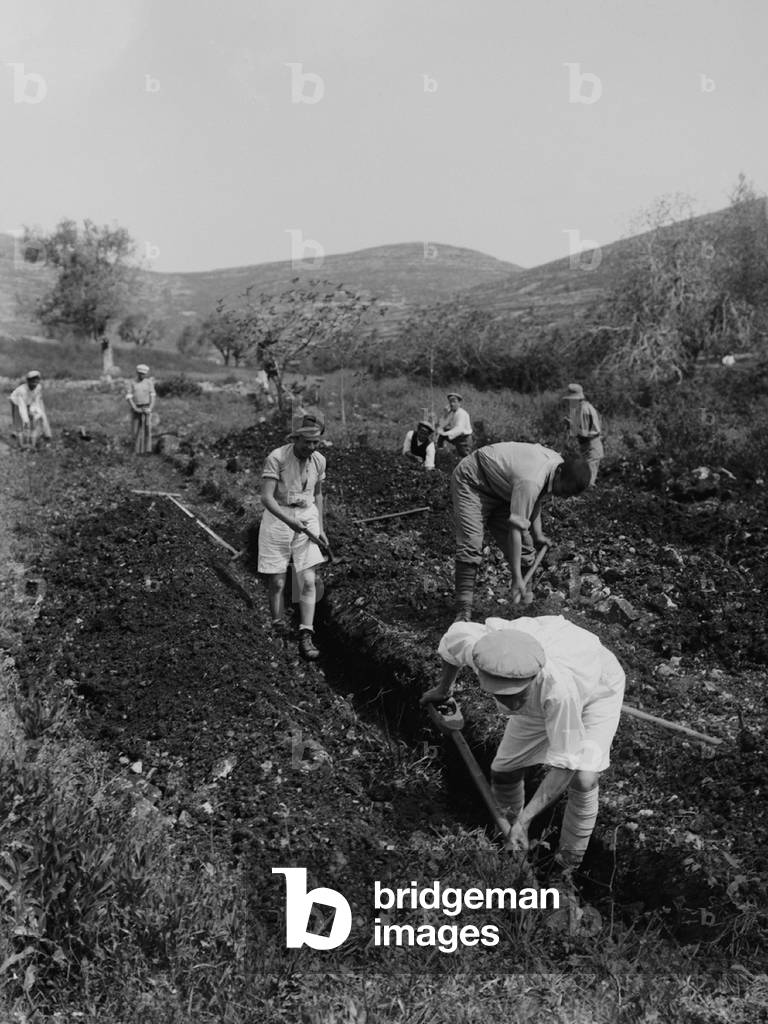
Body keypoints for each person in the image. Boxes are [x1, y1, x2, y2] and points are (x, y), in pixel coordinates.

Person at [420, 614, 625, 875]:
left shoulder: (559, 692)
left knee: (584, 778)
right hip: (539, 706)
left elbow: (566, 764)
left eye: (517, 695)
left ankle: (565, 868)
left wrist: (527, 820)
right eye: (501, 695)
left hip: (597, 689)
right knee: (504, 771)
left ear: (533, 679)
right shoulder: (482, 651)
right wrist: (442, 690)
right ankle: (510, 837)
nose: (510, 704)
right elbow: (453, 641)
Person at [451, 442, 590, 620]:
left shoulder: (556, 466)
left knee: (526, 549)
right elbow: (515, 530)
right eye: (564, 491)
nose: (563, 496)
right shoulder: (531, 481)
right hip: (474, 480)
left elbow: (536, 498)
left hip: (503, 489)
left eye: (569, 495)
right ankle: (464, 610)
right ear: (560, 473)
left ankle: (525, 606)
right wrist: (516, 577)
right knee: (471, 543)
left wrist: (538, 534)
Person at [259, 419, 329, 661]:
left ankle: (306, 633)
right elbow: (266, 498)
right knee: (277, 582)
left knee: (309, 580)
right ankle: (277, 624)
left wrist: (319, 526)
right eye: (307, 442)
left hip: (306, 516)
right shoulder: (277, 458)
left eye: (315, 442)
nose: (311, 447)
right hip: (279, 516)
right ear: (295, 439)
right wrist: (289, 521)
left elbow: (318, 494)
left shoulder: (319, 460)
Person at [562, 383, 603, 486]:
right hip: (587, 448)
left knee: (588, 482)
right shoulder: (581, 408)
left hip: (592, 448)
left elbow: (584, 433)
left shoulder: (584, 410)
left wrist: (571, 425)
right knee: (584, 480)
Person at [9, 370, 52, 449]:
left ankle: (32, 446)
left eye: (36, 381)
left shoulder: (38, 387)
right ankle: (21, 446)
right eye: (32, 382)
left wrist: (36, 414)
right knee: (19, 423)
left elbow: (36, 401)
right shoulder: (22, 391)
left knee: (34, 423)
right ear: (28, 381)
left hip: (28, 402)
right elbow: (21, 407)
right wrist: (25, 420)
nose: (34, 384)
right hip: (16, 402)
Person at [126, 364, 156, 454]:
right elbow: (129, 397)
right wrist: (134, 408)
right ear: (137, 373)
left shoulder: (149, 382)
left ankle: (147, 450)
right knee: (135, 430)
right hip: (136, 407)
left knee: (147, 428)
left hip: (146, 407)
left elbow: (153, 396)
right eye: (140, 373)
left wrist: (150, 408)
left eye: (144, 374)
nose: (142, 375)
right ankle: (135, 450)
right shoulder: (132, 382)